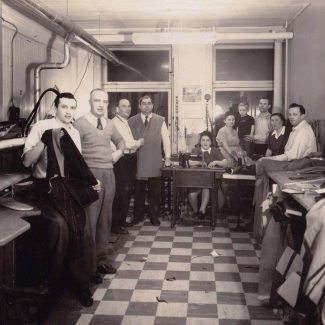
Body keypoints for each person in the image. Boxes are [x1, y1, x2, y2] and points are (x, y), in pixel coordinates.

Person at [23, 92, 99, 307]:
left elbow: (75, 167)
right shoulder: (42, 126)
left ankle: (80, 284)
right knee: (60, 226)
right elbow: (28, 161)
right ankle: (52, 282)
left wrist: (89, 184)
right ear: (56, 107)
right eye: (64, 107)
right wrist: (47, 139)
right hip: (46, 188)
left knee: (80, 226)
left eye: (72, 108)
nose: (68, 111)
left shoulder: (74, 132)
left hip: (67, 187)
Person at [73, 89, 126, 285]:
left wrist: (117, 154)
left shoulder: (110, 124)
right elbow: (73, 155)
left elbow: (120, 141)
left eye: (104, 101)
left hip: (108, 174)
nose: (101, 105)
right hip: (89, 176)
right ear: (89, 101)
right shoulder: (78, 124)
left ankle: (101, 261)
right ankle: (89, 268)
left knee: (105, 219)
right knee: (90, 222)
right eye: (97, 100)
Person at [128, 95, 171, 226]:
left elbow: (166, 140)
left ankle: (154, 216)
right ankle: (138, 216)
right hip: (138, 161)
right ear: (140, 106)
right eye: (144, 104)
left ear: (152, 105)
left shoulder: (160, 120)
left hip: (155, 160)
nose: (146, 106)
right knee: (138, 192)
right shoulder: (131, 121)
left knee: (155, 192)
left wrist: (168, 157)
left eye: (149, 104)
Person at [111, 99, 144, 234]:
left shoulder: (126, 122)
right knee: (121, 192)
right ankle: (115, 226)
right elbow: (126, 144)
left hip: (129, 159)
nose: (127, 108)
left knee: (127, 192)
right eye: (123, 106)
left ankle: (120, 221)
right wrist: (139, 142)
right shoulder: (115, 123)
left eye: (129, 106)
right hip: (121, 160)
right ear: (116, 109)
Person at [188, 131, 227, 219]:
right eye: (203, 140)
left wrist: (215, 162)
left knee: (206, 187)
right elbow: (189, 161)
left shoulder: (215, 151)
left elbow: (225, 162)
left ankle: (202, 211)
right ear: (200, 142)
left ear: (210, 142)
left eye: (207, 140)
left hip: (211, 180)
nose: (205, 142)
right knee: (191, 195)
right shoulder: (195, 150)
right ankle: (197, 211)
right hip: (196, 180)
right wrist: (199, 162)